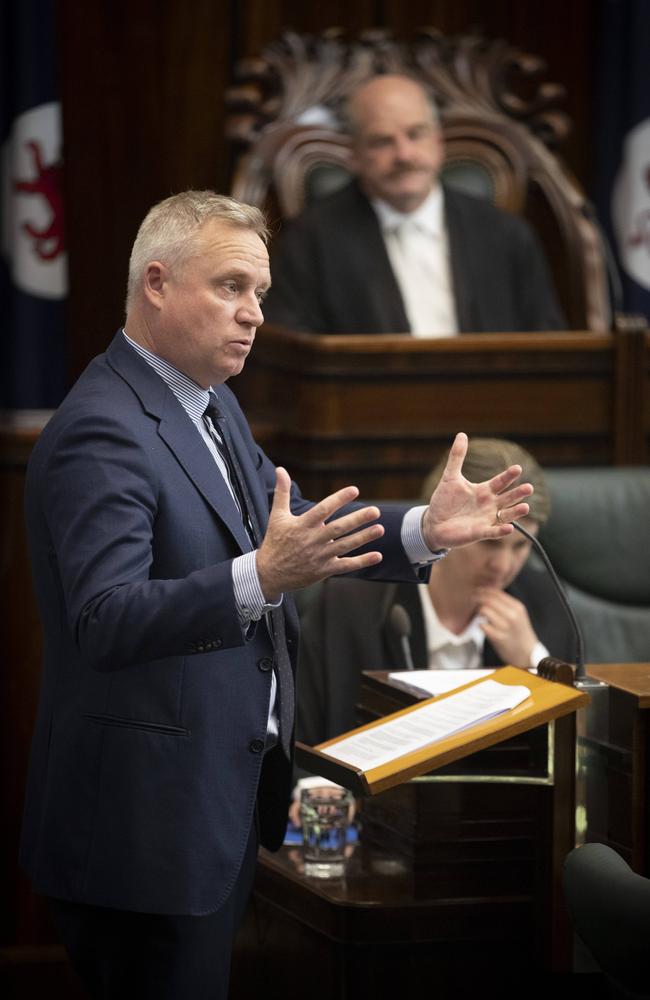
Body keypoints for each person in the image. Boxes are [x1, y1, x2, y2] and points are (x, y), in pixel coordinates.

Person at [20, 191, 533, 1000]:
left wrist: (424, 532)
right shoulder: (103, 429)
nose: (253, 314)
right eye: (230, 287)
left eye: (259, 293)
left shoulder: (210, 404)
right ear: (156, 283)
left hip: (213, 814)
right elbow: (104, 619)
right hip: (142, 832)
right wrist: (258, 578)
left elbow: (299, 530)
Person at [295, 438, 575, 754]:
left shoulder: (544, 601)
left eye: (520, 546)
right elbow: (303, 737)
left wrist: (534, 660)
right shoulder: (352, 603)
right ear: (445, 527)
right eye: (490, 543)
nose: (503, 566)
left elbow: (574, 746)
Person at [264, 74, 566, 335]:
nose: (404, 155)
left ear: (438, 141)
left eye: (416, 134)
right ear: (353, 154)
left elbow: (548, 343)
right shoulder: (312, 239)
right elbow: (294, 352)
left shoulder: (505, 235)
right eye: (383, 141)